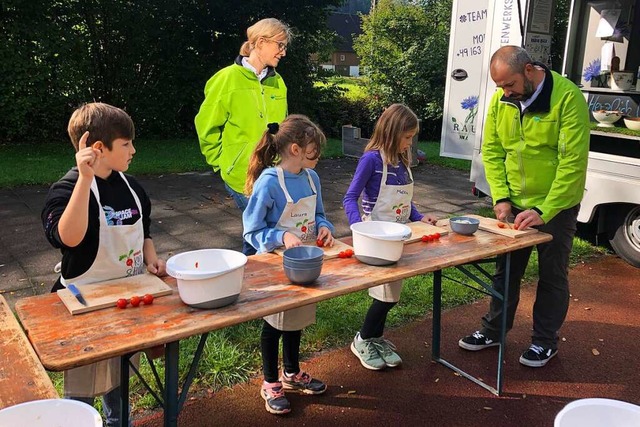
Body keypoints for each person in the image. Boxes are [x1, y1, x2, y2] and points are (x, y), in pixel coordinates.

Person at [458, 46, 590, 367]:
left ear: (529, 70)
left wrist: (545, 211)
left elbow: (572, 164)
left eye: (511, 85)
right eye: (501, 87)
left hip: (555, 208)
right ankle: (494, 330)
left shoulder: (568, 98)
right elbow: (492, 150)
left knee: (552, 275)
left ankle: (545, 341)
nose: (506, 93)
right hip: (515, 203)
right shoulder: (502, 100)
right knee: (506, 271)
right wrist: (501, 198)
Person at [42, 102, 166, 426]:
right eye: (126, 144)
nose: (134, 150)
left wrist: (151, 258)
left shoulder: (132, 188)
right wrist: (84, 180)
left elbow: (145, 231)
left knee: (119, 383)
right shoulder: (67, 188)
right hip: (85, 308)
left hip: (128, 302)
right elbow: (67, 238)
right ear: (99, 148)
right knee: (81, 394)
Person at [243, 115, 335, 415]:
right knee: (274, 324)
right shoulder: (269, 183)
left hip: (306, 264)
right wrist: (281, 235)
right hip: (276, 265)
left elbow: (319, 214)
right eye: (314, 149)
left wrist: (324, 227)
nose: (318, 155)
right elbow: (252, 231)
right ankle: (270, 381)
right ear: (295, 149)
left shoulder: (312, 178)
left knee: (296, 319)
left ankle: (292, 373)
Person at [343, 103, 438, 371]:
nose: (409, 143)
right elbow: (350, 197)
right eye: (407, 137)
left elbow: (406, 201)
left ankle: (376, 337)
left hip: (399, 239)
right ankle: (362, 338)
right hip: (376, 240)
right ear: (392, 132)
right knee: (386, 295)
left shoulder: (402, 161)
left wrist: (419, 218)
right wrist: (358, 227)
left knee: (391, 293)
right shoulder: (371, 160)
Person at [195, 17, 291, 256]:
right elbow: (206, 126)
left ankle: (255, 283)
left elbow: (284, 126)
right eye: (280, 45)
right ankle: (258, 282)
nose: (283, 52)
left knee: (262, 231)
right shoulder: (226, 79)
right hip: (241, 176)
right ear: (260, 42)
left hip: (274, 173)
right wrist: (223, 164)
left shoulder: (278, 82)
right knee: (263, 231)